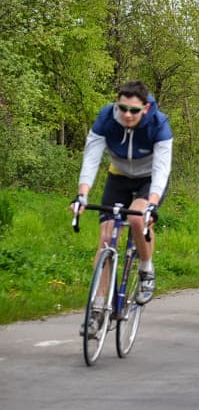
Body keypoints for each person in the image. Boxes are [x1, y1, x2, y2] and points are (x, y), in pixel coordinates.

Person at [72, 81, 173, 335]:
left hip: (148, 179)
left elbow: (162, 169)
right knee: (106, 238)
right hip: (118, 176)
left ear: (145, 108)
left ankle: (146, 268)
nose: (127, 115)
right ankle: (97, 308)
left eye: (134, 110)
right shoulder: (106, 118)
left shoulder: (158, 124)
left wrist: (152, 202)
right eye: (122, 108)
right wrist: (82, 195)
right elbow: (91, 157)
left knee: (138, 219)